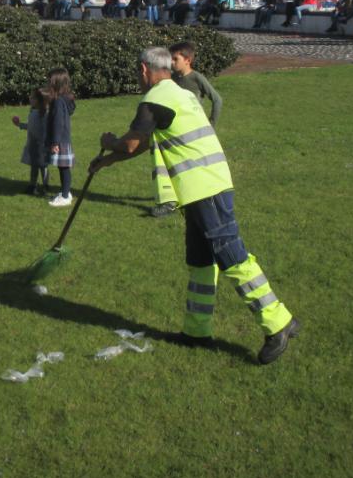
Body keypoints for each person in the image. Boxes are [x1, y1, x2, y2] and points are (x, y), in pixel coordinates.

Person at [89, 47, 299, 364]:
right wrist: (106, 163)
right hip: (203, 187)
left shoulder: (155, 100)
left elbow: (132, 142)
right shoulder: (178, 93)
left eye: (138, 73)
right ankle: (196, 331)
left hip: (206, 189)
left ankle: (278, 322)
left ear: (145, 70)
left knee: (231, 255)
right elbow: (142, 143)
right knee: (200, 260)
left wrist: (108, 142)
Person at [150, 42, 224, 217]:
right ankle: (172, 200)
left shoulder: (196, 78)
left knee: (198, 166)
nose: (172, 63)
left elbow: (217, 100)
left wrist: (211, 124)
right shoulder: (172, 80)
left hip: (194, 133)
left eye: (175, 59)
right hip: (175, 132)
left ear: (188, 60)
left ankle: (206, 195)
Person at [45, 68, 77, 207]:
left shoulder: (58, 102)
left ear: (56, 83)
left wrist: (55, 142)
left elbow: (58, 123)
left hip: (61, 140)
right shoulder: (63, 99)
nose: (47, 84)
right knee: (62, 167)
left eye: (49, 82)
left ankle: (65, 196)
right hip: (63, 140)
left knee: (64, 168)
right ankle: (65, 192)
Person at [12, 88, 51, 196]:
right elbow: (30, 127)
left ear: (39, 100)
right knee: (34, 166)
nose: (30, 98)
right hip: (33, 145)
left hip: (42, 145)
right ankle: (32, 186)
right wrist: (19, 124)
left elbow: (47, 130)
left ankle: (46, 186)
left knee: (43, 166)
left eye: (33, 97)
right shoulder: (33, 112)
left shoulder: (45, 114)